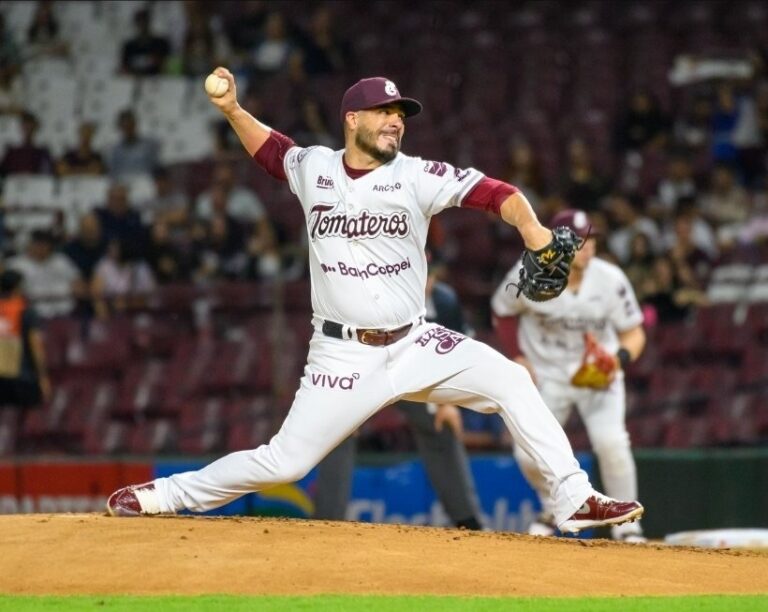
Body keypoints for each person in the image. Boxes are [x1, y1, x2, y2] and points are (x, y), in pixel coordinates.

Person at [106, 68, 644, 536]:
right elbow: (272, 151)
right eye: (382, 111)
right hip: (342, 355)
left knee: (511, 380)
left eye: (399, 114)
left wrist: (532, 229)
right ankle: (166, 496)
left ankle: (574, 498)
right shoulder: (314, 168)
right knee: (284, 462)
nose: (395, 120)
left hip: (416, 342)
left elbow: (495, 192)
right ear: (352, 120)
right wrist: (231, 108)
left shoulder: (416, 176)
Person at [491, 209, 647, 542]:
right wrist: (517, 356)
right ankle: (552, 508)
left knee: (612, 444)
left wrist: (616, 360)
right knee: (525, 453)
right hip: (548, 374)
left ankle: (630, 530)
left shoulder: (610, 279)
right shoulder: (529, 270)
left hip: (596, 375)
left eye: (591, 241)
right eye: (578, 242)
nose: (587, 248)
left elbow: (635, 333)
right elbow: (502, 312)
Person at [313, 259, 484, 530]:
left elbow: (459, 356)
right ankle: (325, 522)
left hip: (415, 376)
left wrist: (449, 403)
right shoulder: (373, 294)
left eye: (428, 273)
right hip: (367, 370)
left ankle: (468, 521)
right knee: (338, 428)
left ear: (435, 277)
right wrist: (345, 399)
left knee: (443, 423)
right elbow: (347, 346)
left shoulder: (445, 301)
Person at [0, 269, 51, 445]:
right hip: (22, 375)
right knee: (25, 417)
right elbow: (35, 345)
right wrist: (43, 376)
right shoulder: (26, 311)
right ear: (18, 287)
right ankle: (19, 448)